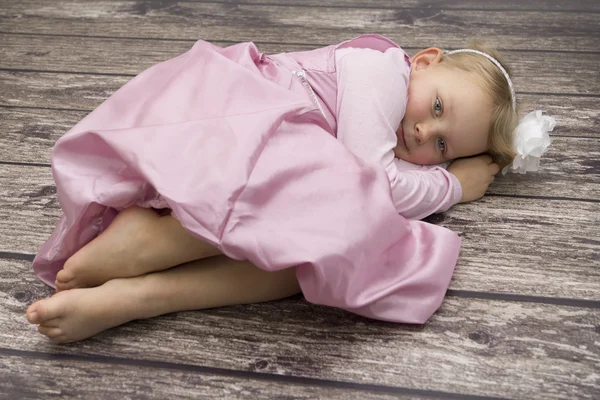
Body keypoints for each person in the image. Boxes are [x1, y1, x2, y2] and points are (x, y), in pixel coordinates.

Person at [25, 35, 553, 343]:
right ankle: (159, 242)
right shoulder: (381, 69)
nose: (422, 133)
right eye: (437, 108)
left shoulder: (397, 111)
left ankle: (139, 295)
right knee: (348, 216)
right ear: (425, 61)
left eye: (441, 146)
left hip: (231, 163)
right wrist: (450, 184)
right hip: (226, 129)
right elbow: (381, 185)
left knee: (317, 257)